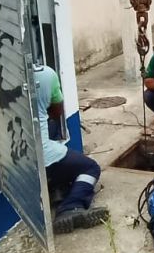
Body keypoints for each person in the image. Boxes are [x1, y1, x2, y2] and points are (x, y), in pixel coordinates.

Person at [34, 64, 109, 234]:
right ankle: (71, 206)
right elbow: (56, 111)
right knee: (90, 168)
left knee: (51, 129)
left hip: (14, 158)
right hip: (41, 155)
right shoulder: (45, 75)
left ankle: (57, 188)